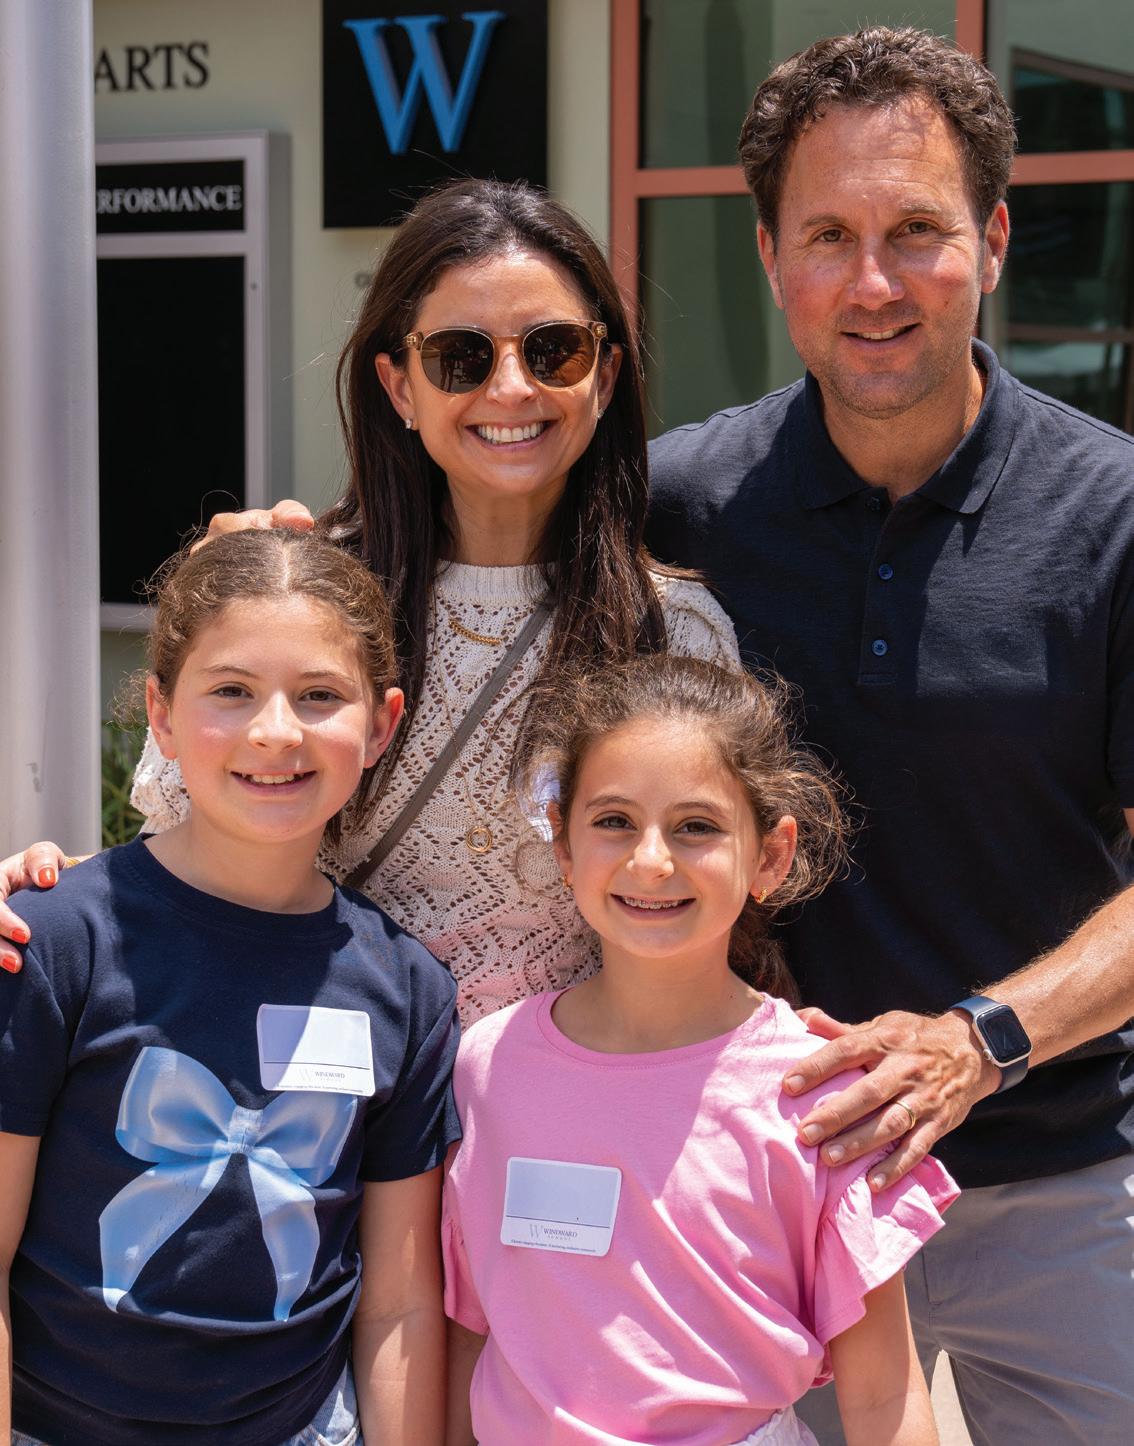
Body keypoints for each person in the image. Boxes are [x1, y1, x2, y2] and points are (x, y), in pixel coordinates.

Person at [644, 26, 1134, 1443]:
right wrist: (287, 548)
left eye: (915, 230)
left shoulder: (1113, 515)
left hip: (1062, 1181)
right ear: (769, 257)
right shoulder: (678, 503)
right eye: (828, 237)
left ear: (992, 241)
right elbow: (447, 596)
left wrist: (982, 1040)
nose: (873, 284)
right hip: (762, 1179)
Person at [0, 179, 738, 1024]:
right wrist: (48, 904)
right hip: (299, 1077)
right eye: (460, 356)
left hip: (556, 1093)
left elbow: (719, 911)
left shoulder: (675, 633)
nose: (511, 388)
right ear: (399, 386)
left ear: (604, 377)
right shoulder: (299, 598)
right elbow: (181, 856)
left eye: (554, 351)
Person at [0, 528, 460, 1445]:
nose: (275, 731)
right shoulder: (54, 943)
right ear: (161, 714)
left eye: (320, 695)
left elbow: (401, 1304)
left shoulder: (408, 990)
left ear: (382, 724)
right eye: (232, 691)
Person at [443, 655, 955, 1446]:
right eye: (614, 821)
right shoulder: (489, 1065)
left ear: (771, 856)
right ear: (564, 845)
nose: (651, 860)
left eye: (697, 827)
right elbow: (472, 1334)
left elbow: (884, 1394)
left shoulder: (823, 1092)